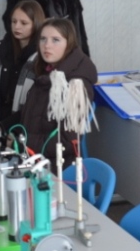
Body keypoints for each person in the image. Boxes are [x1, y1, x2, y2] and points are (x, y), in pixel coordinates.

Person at [10, 18, 97, 166]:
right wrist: (2, 127)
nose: (47, 45)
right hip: (33, 157)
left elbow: (67, 141)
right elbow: (31, 113)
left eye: (55, 40)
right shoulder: (47, 72)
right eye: (43, 39)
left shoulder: (76, 85)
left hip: (58, 167)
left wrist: (20, 142)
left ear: (69, 44)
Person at [0, 0, 45, 130]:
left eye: (24, 23)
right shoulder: (5, 51)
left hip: (22, 130)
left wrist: (3, 127)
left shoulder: (41, 58)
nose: (17, 27)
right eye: (14, 21)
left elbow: (34, 106)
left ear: (36, 24)